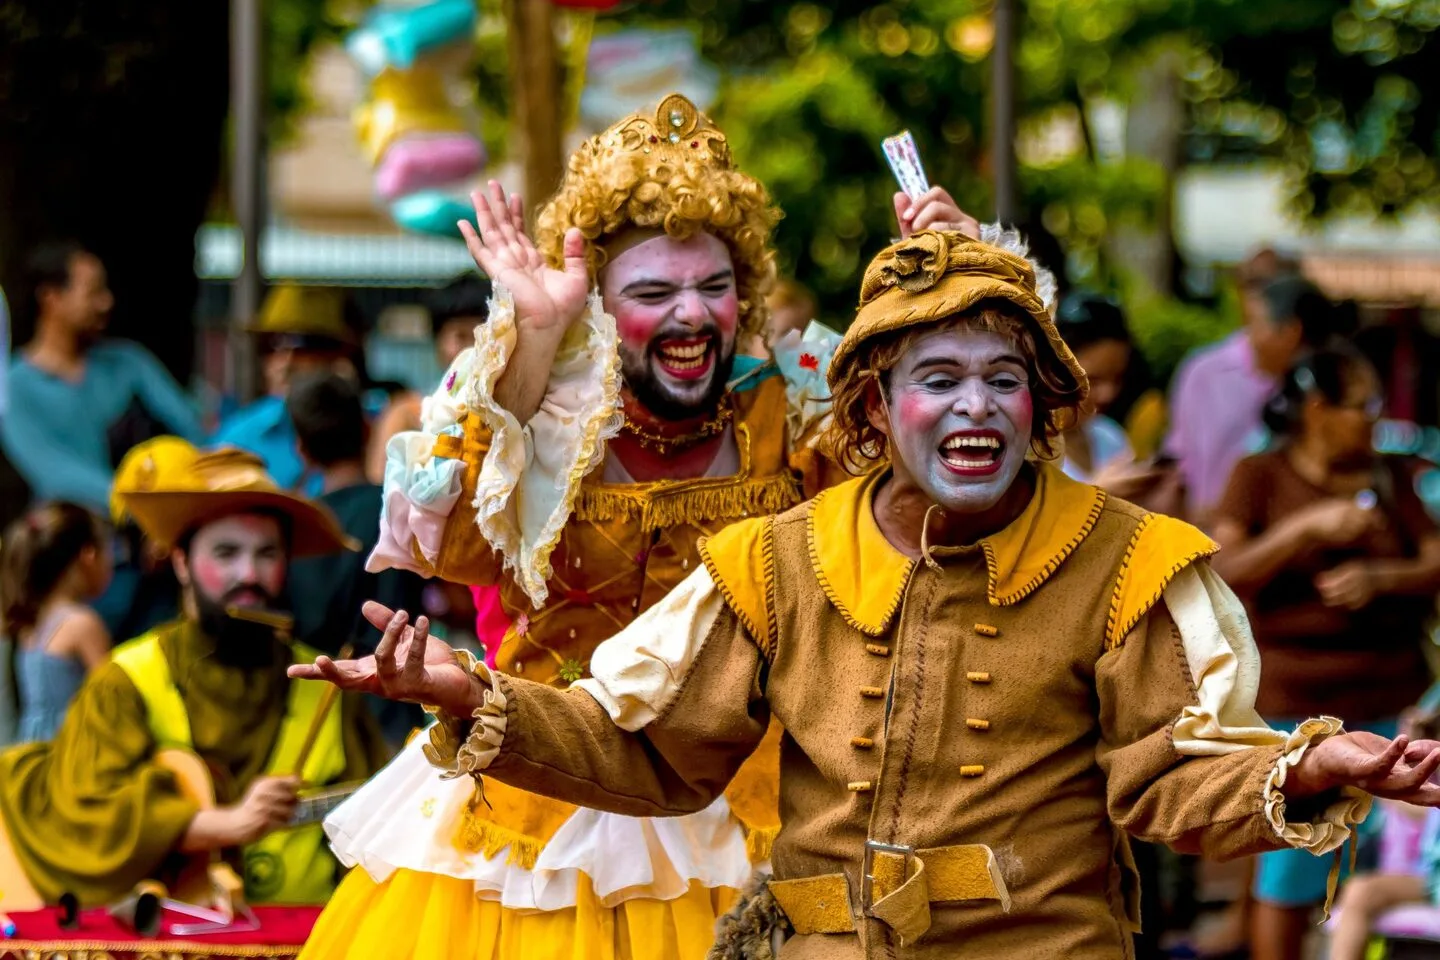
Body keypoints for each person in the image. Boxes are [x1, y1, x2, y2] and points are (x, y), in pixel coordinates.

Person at [297, 228, 1440, 959]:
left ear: (1044, 407)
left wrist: (1301, 764)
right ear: (875, 409)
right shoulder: (779, 560)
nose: (974, 409)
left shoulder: (1128, 559)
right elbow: (647, 750)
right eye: (937, 379)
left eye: (1004, 380)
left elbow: (1171, 772)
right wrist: (468, 695)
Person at [297, 92, 975, 960]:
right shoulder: (537, 415)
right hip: (538, 799)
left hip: (755, 813)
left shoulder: (797, 412)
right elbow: (454, 543)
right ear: (599, 305)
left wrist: (960, 293)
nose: (692, 316)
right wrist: (533, 345)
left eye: (716, 287)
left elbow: (946, 506)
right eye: (655, 291)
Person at [0, 447, 387, 911]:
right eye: (226, 553)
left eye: (267, 553)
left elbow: (376, 829)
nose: (249, 574)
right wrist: (221, 825)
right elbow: (86, 810)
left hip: (306, 936)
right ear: (180, 562)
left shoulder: (329, 681)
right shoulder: (123, 680)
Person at [1207, 345, 1440, 960]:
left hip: (1390, 702)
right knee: (1288, 864)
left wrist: (1379, 578)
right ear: (1317, 410)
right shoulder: (1259, 475)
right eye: (1361, 404)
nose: (1372, 417)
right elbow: (1224, 568)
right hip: (1294, 710)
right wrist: (1305, 530)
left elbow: (1434, 559)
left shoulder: (1391, 474)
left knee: (1382, 867)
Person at [0, 241, 204, 514]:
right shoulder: (14, 386)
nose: (106, 302)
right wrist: (136, 503)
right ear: (52, 298)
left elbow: (191, 427)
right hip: (71, 538)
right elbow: (52, 471)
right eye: (93, 291)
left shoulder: (130, 363)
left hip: (150, 533)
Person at [286, 371, 427, 751]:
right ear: (367, 429)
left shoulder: (294, 530)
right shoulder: (403, 510)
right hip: (400, 712)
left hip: (322, 723)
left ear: (302, 450)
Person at [1164, 266, 1341, 527]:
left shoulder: (1321, 388)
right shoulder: (1205, 374)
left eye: (1257, 324)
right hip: (1211, 536)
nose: (1249, 336)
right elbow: (1178, 461)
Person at [213, 284, 357, 494]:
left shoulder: (382, 430)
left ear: (337, 354)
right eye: (273, 343)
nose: (285, 361)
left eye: (303, 344)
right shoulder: (235, 439)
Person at [1, 502, 112, 742]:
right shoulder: (82, 624)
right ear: (89, 555)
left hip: (35, 757)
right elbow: (113, 702)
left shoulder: (33, 623)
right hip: (72, 755)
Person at [365, 274, 493, 484]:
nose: (472, 348)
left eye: (482, 335)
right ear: (437, 342)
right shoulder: (405, 414)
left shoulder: (511, 411)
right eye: (460, 335)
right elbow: (380, 485)